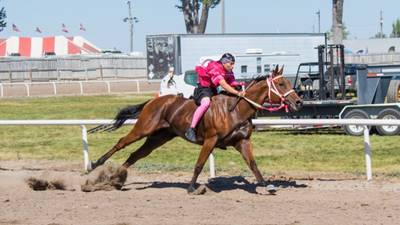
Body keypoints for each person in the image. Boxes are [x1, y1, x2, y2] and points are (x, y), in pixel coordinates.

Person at [185, 53, 245, 142]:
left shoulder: (228, 70)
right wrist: (237, 93)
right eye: (231, 64)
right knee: (206, 104)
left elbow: (231, 81)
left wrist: (239, 85)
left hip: (212, 89)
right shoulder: (214, 67)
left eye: (233, 64)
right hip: (203, 89)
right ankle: (191, 129)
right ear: (224, 63)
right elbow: (224, 84)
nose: (233, 66)